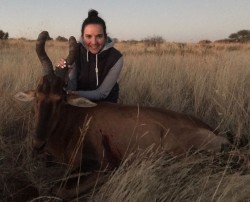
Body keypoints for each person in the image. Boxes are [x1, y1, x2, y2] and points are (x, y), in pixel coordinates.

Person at [57, 9, 123, 103]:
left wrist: (73, 93)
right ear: (82, 36)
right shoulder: (76, 51)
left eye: (99, 36)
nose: (94, 42)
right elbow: (72, 85)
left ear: (105, 36)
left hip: (105, 104)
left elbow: (102, 93)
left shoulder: (116, 58)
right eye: (88, 36)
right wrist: (65, 78)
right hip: (78, 101)